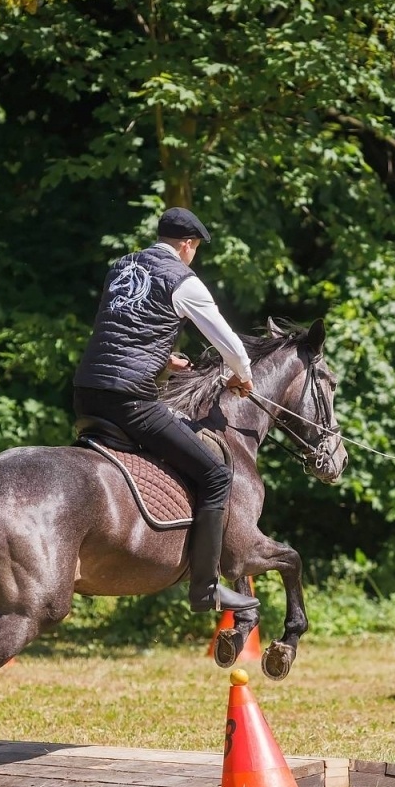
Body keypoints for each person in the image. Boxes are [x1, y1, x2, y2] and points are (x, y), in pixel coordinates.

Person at [73, 207, 259, 613]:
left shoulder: (120, 267)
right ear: (188, 245)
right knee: (214, 475)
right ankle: (205, 589)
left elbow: (121, 330)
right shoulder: (183, 280)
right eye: (195, 249)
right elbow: (231, 346)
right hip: (131, 401)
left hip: (86, 393)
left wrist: (162, 359)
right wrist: (241, 376)